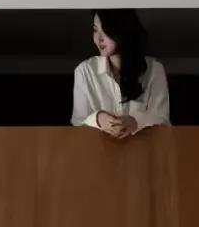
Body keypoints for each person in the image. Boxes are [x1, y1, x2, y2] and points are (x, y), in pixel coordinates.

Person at [71, 9, 170, 137]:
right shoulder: (85, 71)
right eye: (95, 30)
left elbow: (162, 120)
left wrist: (135, 122)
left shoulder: (154, 70)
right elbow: (77, 124)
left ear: (122, 30)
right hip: (97, 148)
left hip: (143, 147)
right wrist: (97, 119)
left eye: (105, 30)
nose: (98, 38)